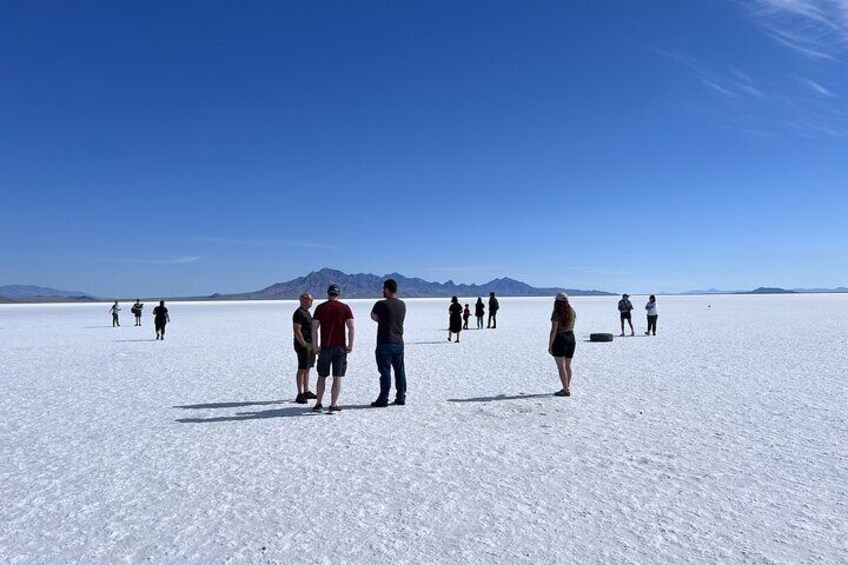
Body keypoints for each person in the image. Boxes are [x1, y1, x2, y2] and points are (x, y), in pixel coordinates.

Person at [311, 284, 354, 413]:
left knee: (322, 376)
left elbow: (314, 328)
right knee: (337, 377)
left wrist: (315, 345)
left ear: (328, 293)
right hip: (340, 348)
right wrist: (350, 344)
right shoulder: (345, 308)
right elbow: (351, 327)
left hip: (325, 348)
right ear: (338, 294)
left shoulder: (320, 308)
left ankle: (318, 404)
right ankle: (333, 405)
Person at [370, 279, 407, 407]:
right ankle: (401, 396)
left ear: (386, 289)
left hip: (384, 342)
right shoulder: (402, 304)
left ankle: (383, 398)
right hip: (398, 342)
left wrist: (383, 321)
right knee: (399, 370)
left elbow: (373, 316)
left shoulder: (380, 304)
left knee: (385, 372)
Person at [548, 293, 576, 397]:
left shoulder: (556, 313)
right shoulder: (572, 311)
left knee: (561, 366)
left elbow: (554, 330)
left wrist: (550, 345)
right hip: (571, 338)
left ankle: (565, 389)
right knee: (567, 365)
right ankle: (566, 386)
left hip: (560, 339)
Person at [292, 293, 317, 404]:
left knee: (307, 368)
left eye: (312, 299)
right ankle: (300, 393)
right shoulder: (299, 313)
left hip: (310, 344)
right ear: (301, 300)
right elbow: (297, 330)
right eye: (308, 299)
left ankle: (306, 391)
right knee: (302, 368)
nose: (311, 301)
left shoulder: (307, 313)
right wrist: (303, 344)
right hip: (303, 345)